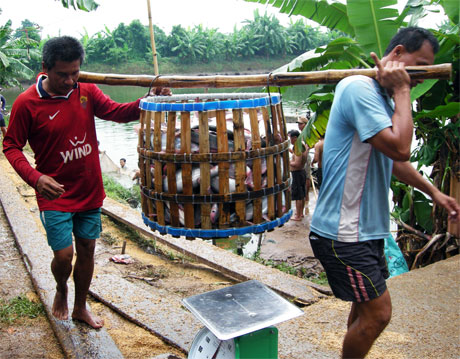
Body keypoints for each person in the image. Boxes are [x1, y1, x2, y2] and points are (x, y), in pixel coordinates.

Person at [309, 27, 460, 359]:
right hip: (343, 232)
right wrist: (404, 89)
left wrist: (436, 193)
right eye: (418, 65)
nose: (420, 75)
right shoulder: (358, 88)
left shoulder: (381, 99)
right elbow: (401, 149)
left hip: (366, 231)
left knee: (365, 312)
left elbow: (391, 161)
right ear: (398, 54)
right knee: (379, 314)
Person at [2, 36, 168, 329]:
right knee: (64, 256)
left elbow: (117, 112)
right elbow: (12, 146)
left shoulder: (87, 91)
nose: (69, 81)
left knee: (88, 249)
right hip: (55, 194)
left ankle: (80, 306)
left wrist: (149, 100)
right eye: (62, 74)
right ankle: (61, 288)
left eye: (75, 73)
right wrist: (36, 178)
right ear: (45, 68)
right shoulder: (27, 103)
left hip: (89, 190)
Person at [288, 130, 308, 221]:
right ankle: (301, 213)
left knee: (298, 196)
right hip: (301, 172)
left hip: (297, 172)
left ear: (295, 138)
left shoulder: (298, 147)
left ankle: (298, 215)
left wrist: (288, 162)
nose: (290, 140)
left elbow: (297, 163)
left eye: (290, 138)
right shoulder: (302, 145)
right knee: (302, 194)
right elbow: (298, 156)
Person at [296, 115, 312, 214]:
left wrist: (305, 151)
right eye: (298, 124)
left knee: (306, 177)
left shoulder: (307, 134)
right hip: (302, 156)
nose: (299, 125)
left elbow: (311, 144)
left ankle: (306, 196)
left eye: (300, 124)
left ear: (305, 124)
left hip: (305, 157)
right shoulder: (301, 134)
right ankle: (305, 196)